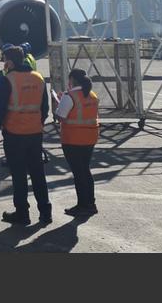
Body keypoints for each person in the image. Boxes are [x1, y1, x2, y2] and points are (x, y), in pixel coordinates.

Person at [0, 45, 51, 226]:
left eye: (4, 60)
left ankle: (22, 214)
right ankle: (45, 213)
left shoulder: (8, 79)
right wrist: (37, 122)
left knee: (19, 175)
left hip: (15, 134)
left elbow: (0, 108)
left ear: (9, 61)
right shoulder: (39, 78)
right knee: (38, 174)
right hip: (35, 133)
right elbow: (45, 108)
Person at [55, 68, 99, 217]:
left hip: (73, 138)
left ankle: (83, 205)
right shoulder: (92, 95)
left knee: (79, 174)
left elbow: (60, 116)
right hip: (90, 137)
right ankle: (90, 203)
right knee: (85, 171)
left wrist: (60, 102)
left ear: (72, 80)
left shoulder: (70, 96)